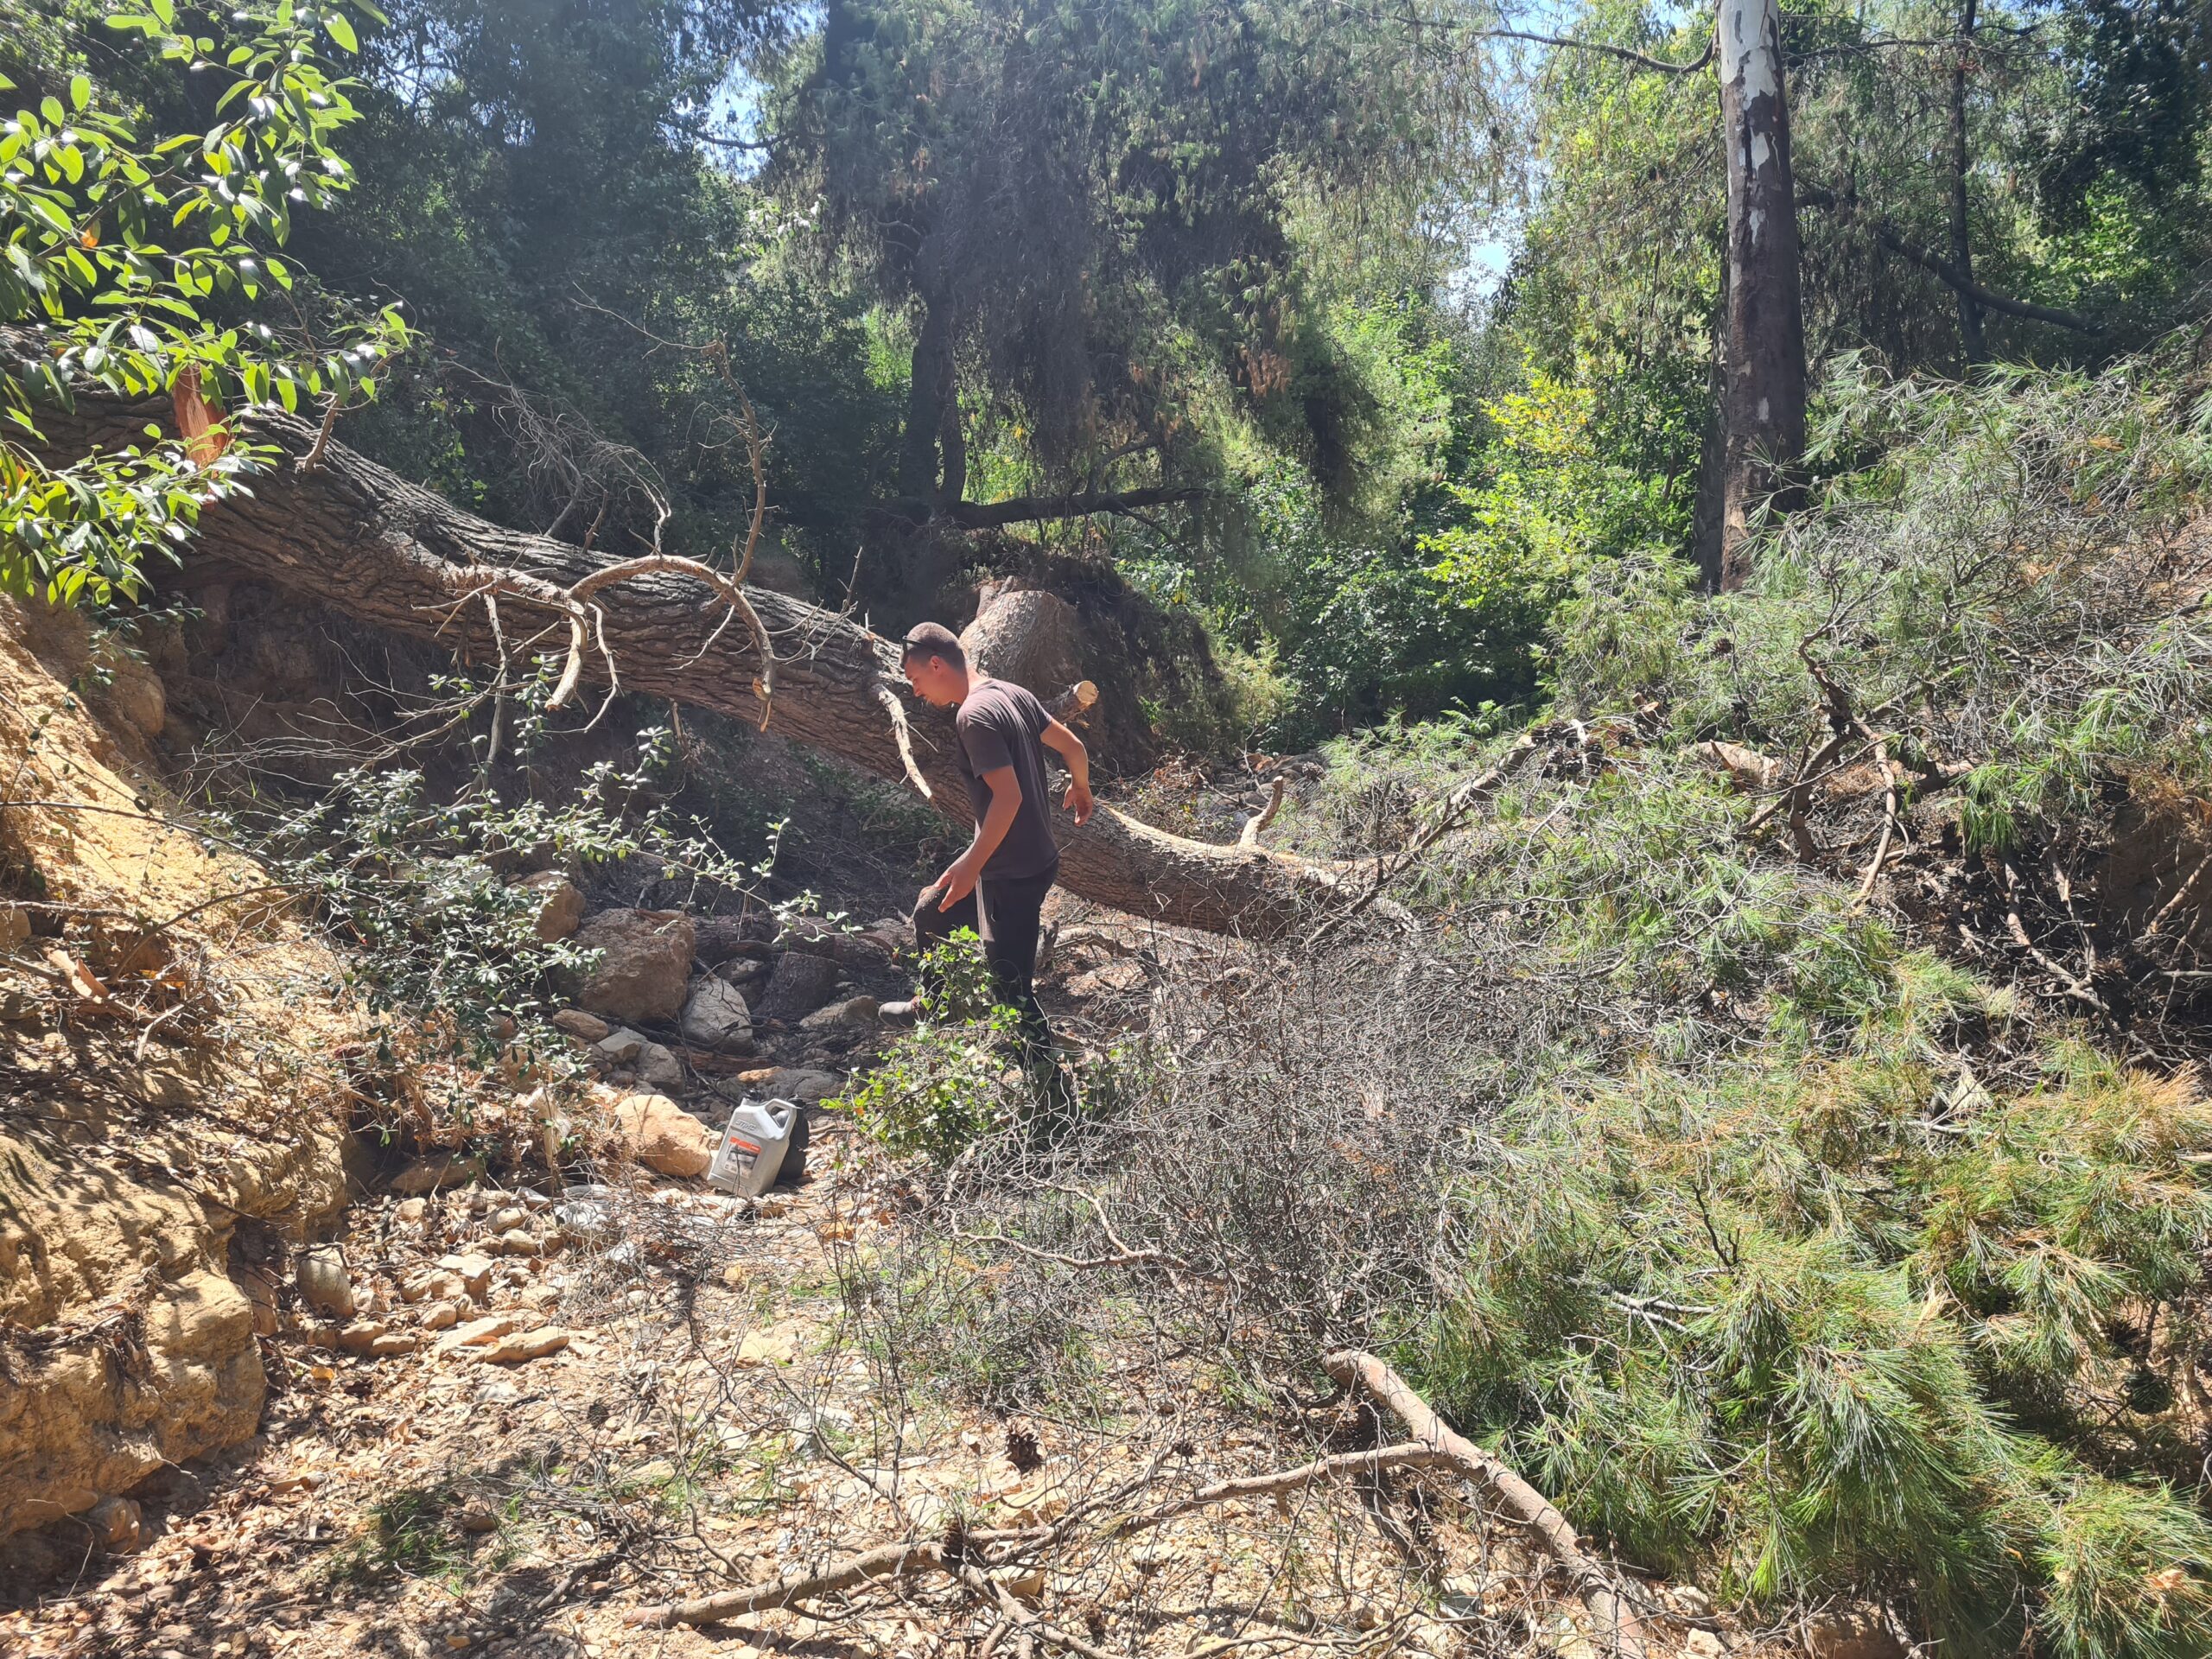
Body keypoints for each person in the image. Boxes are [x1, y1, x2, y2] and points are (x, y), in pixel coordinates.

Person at [883, 621, 1093, 1059]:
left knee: (1011, 990)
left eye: (917, 680)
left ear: (937, 664)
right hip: (1022, 856)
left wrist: (972, 865)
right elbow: (1073, 746)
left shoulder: (973, 716)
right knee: (931, 912)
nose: (917, 692)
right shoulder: (1011, 693)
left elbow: (1009, 798)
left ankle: (1050, 1095)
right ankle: (936, 1006)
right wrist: (1081, 784)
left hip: (1013, 873)